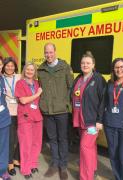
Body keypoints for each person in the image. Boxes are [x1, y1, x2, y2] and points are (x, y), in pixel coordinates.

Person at [38, 43, 74, 179]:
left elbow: (71, 87)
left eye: (51, 52)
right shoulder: (41, 70)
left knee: (62, 139)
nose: (48, 55)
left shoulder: (64, 67)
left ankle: (63, 166)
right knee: (52, 139)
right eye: (46, 53)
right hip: (47, 111)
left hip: (62, 111)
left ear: (55, 52)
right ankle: (54, 164)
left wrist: (67, 104)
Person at [71, 51, 106, 180]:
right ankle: (92, 170)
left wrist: (100, 120)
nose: (85, 65)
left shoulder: (98, 79)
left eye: (88, 63)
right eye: (83, 63)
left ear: (93, 65)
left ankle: (85, 177)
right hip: (79, 119)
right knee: (90, 147)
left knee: (84, 147)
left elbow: (103, 101)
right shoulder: (79, 78)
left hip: (91, 121)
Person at [15, 62, 43, 179]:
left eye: (32, 70)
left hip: (37, 117)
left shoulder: (37, 83)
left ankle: (32, 164)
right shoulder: (20, 83)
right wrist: (38, 94)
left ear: (35, 72)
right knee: (26, 144)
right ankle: (25, 169)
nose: (30, 71)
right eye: (28, 69)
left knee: (36, 143)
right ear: (24, 70)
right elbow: (23, 100)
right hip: (25, 117)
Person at [2, 57, 21, 176]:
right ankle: (9, 164)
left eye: (12, 65)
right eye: (7, 66)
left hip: (21, 112)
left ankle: (16, 159)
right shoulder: (1, 78)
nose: (10, 68)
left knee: (21, 137)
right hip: (8, 113)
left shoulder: (19, 77)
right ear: (4, 66)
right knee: (10, 139)